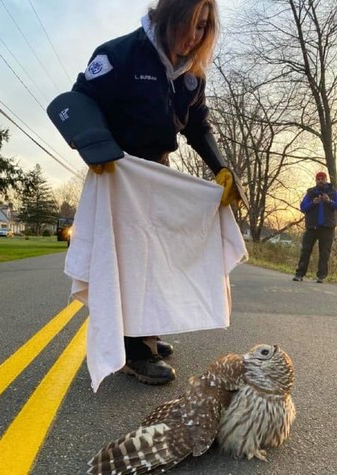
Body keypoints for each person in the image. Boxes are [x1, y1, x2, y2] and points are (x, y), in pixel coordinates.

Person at [47, 0, 244, 386]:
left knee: (156, 259)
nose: (193, 37)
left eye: (203, 27)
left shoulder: (191, 76)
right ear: (167, 16)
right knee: (130, 260)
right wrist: (91, 142)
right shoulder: (119, 54)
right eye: (188, 24)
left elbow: (198, 125)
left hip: (158, 174)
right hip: (118, 171)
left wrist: (221, 167)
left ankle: (145, 331)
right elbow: (79, 99)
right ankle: (134, 349)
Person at [293, 171, 337, 283]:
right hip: (312, 227)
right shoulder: (310, 193)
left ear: (326, 180)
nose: (320, 180)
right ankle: (299, 274)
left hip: (327, 227)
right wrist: (313, 203)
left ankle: (321, 276)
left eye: (322, 178)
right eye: (318, 179)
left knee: (324, 252)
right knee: (305, 250)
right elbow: (303, 207)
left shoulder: (332, 192)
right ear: (316, 181)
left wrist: (329, 201)